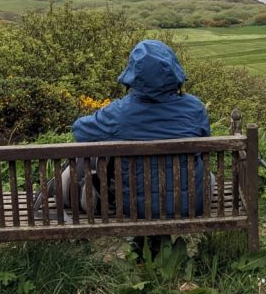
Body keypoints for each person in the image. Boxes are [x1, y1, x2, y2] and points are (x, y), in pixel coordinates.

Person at [72, 39, 211, 228]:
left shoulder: (119, 113)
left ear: (133, 75)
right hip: (190, 205)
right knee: (207, 175)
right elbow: (205, 142)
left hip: (137, 208)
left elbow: (79, 131)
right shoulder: (195, 108)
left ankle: (142, 247)